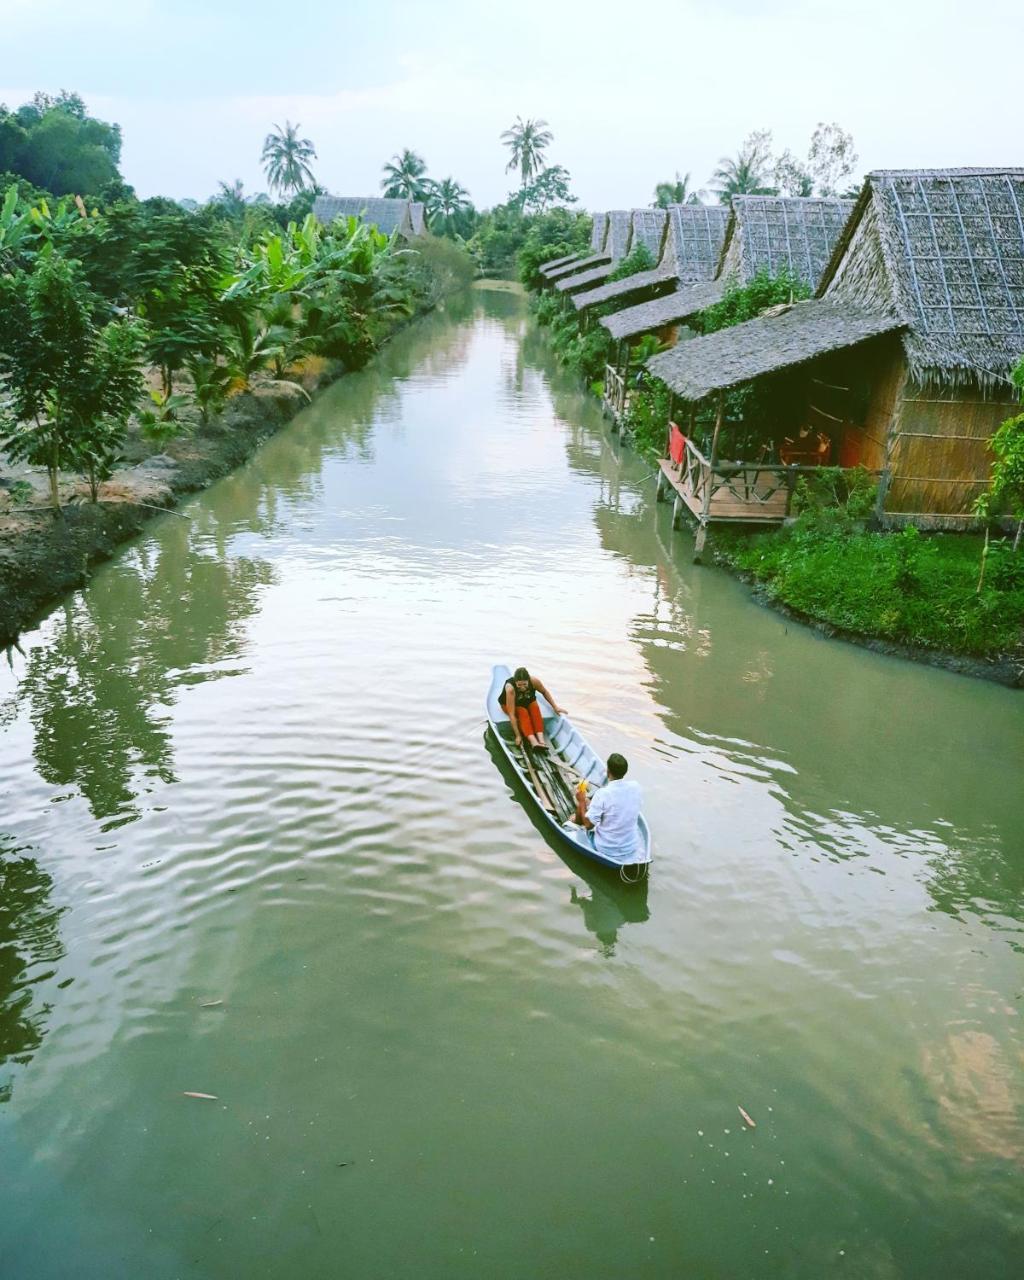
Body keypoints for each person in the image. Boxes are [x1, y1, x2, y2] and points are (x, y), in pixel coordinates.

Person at [574, 753, 643, 863]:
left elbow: (588, 825)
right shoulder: (636, 787)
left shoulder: (602, 794)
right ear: (625, 771)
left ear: (608, 771)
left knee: (576, 819)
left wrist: (582, 802)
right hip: (630, 848)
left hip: (607, 850)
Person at [503, 666, 565, 752]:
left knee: (535, 708)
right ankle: (534, 742)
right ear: (515, 682)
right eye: (519, 685)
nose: (522, 687)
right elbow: (512, 714)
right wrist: (518, 735)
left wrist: (555, 707)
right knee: (523, 712)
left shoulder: (534, 681)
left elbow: (544, 692)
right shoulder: (510, 689)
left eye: (525, 684)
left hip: (527, 699)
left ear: (528, 680)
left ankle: (541, 741)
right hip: (511, 704)